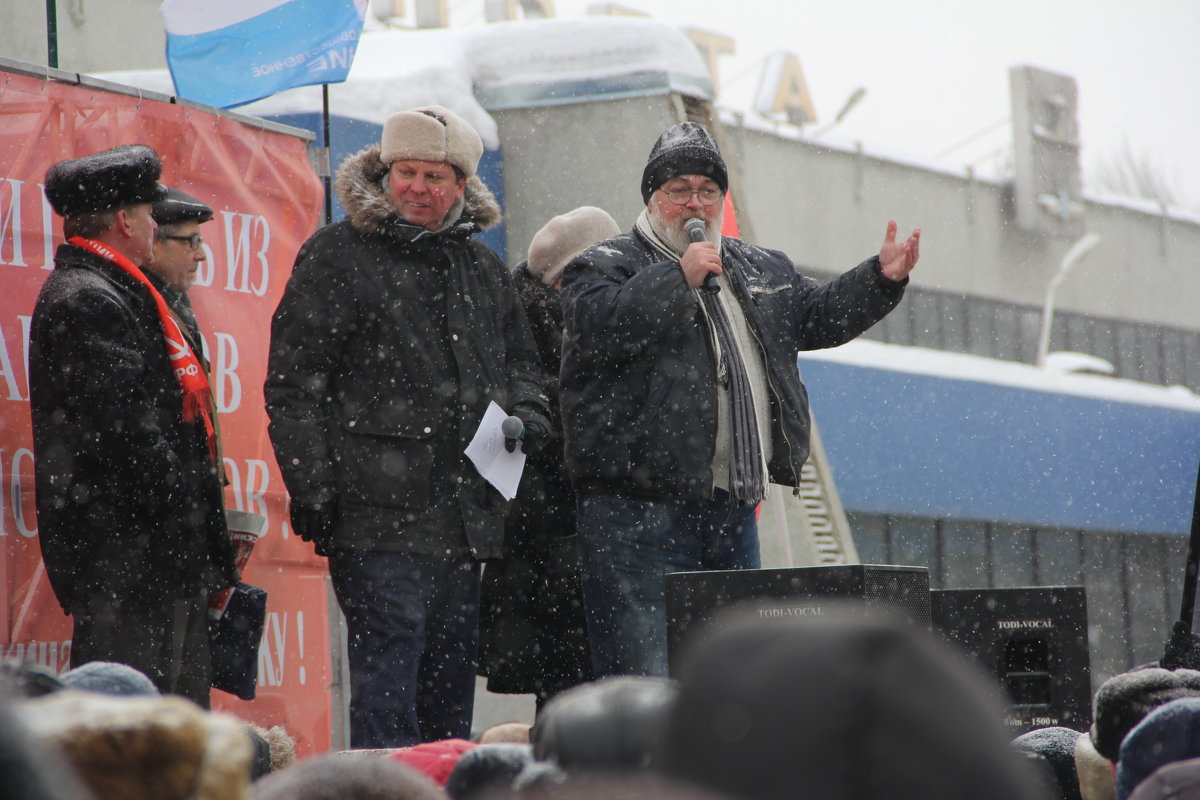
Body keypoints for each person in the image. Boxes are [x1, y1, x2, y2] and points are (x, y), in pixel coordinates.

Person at [558, 121, 921, 677]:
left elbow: (817, 314)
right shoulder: (604, 263)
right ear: (653, 200)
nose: (694, 202)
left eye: (707, 190)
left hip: (729, 511)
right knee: (645, 679)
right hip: (635, 517)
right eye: (679, 190)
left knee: (735, 679)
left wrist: (880, 279)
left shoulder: (757, 266)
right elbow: (599, 329)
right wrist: (675, 280)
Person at [265, 105, 551, 748]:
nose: (418, 187)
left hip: (465, 520)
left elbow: (524, 366)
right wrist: (313, 485)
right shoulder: (338, 255)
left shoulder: (480, 269)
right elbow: (293, 384)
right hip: (375, 518)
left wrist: (530, 415)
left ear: (462, 186)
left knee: (448, 693)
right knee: (389, 689)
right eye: (407, 172)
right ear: (385, 171)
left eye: (435, 175)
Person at [30, 145, 238, 706]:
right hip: (130, 564)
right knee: (140, 732)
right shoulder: (87, 298)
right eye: (150, 213)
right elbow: (127, 438)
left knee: (175, 725)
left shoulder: (124, 290)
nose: (154, 224)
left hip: (151, 559)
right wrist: (184, 521)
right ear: (125, 221)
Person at [479, 207, 619, 709]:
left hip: (569, 542)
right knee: (570, 696)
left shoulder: (583, 317)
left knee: (579, 695)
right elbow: (500, 441)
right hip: (551, 546)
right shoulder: (520, 333)